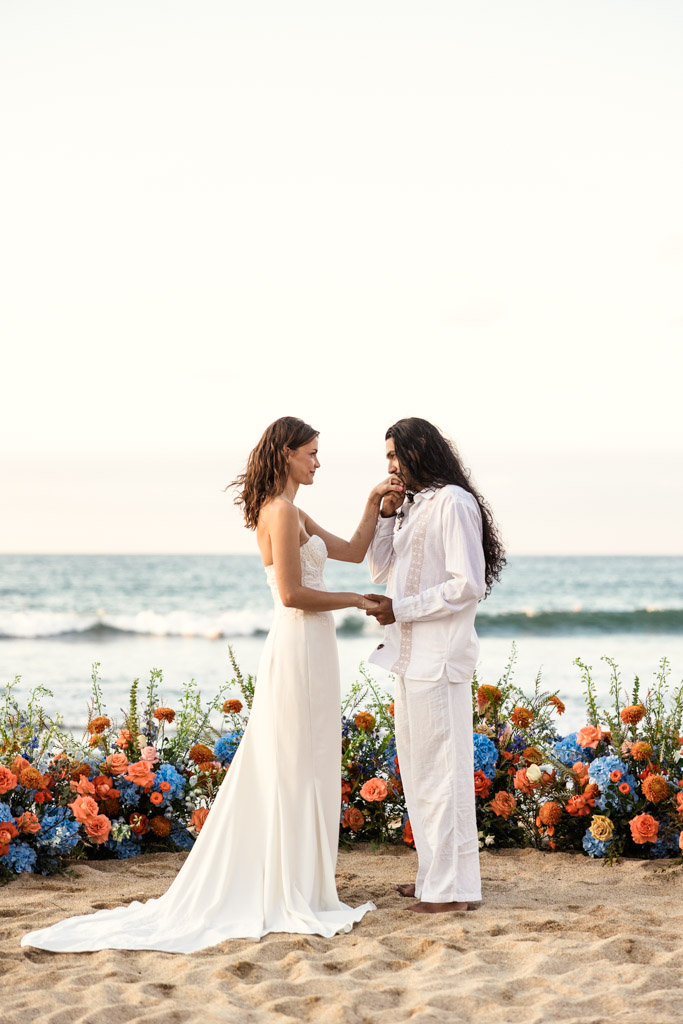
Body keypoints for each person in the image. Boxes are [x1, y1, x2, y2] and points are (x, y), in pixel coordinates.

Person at [22, 416, 401, 953]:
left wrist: (372, 501)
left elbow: (355, 550)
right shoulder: (279, 509)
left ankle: (305, 879)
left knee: (311, 760)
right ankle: (286, 883)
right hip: (298, 641)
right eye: (312, 452)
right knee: (291, 762)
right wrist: (359, 602)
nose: (318, 462)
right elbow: (292, 595)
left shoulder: (295, 509)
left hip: (316, 645)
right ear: (287, 453)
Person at [364, 417, 505, 915]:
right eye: (386, 458)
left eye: (394, 455)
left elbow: (468, 585)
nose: (389, 465)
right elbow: (381, 568)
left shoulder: (452, 502)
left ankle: (447, 893)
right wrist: (385, 514)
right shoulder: (414, 505)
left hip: (439, 657)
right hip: (408, 656)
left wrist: (400, 609)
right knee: (422, 775)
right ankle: (440, 881)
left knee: (442, 777)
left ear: (418, 450)